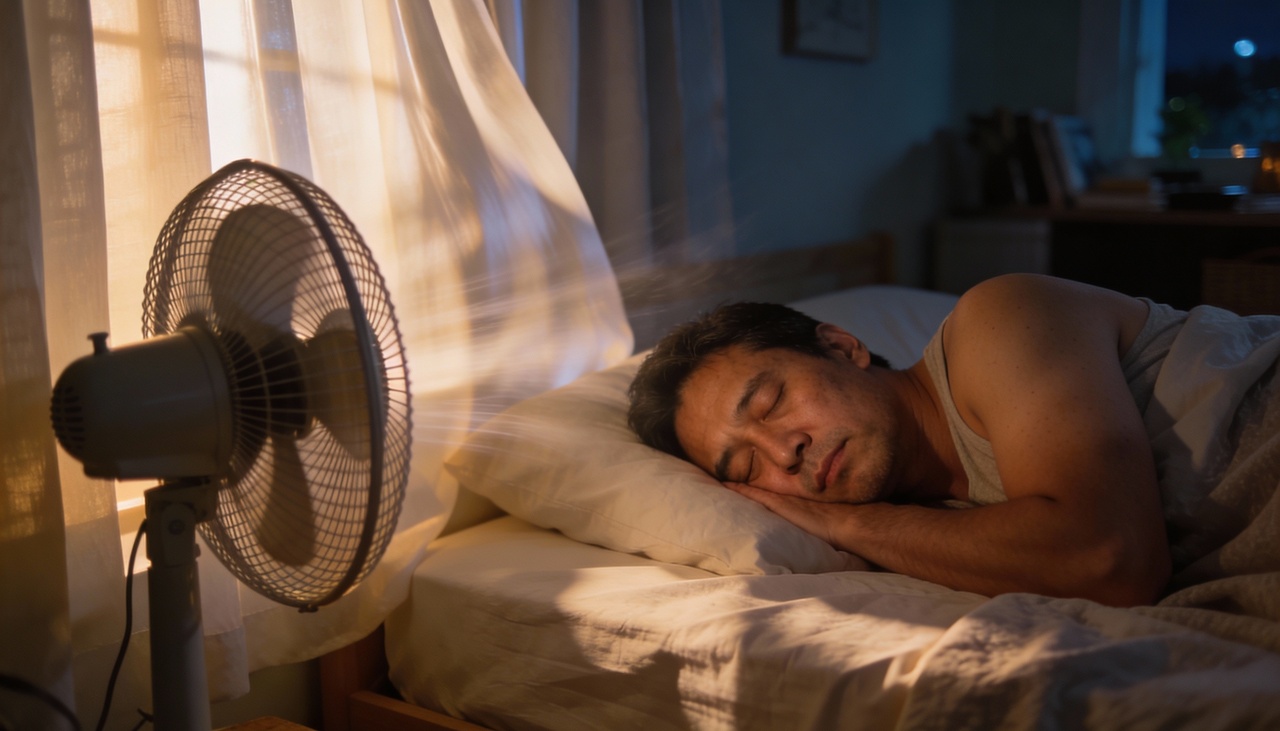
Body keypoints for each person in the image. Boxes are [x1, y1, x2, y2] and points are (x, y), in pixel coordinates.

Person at [627, 273, 1280, 611]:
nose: (783, 452)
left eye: (771, 402)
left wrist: (844, 520)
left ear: (841, 345)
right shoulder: (945, 535)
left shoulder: (998, 319)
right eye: (744, 464)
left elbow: (1110, 559)